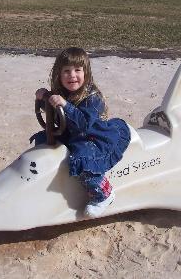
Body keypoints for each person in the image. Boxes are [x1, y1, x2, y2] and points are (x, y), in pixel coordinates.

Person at [31, 47, 131, 218]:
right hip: (72, 132)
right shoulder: (62, 92)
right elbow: (55, 112)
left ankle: (103, 194)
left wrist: (65, 105)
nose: (72, 76)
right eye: (66, 71)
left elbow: (83, 124)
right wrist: (44, 98)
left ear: (86, 73)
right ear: (58, 74)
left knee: (84, 160)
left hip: (93, 136)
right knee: (43, 139)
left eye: (78, 70)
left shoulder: (93, 97)